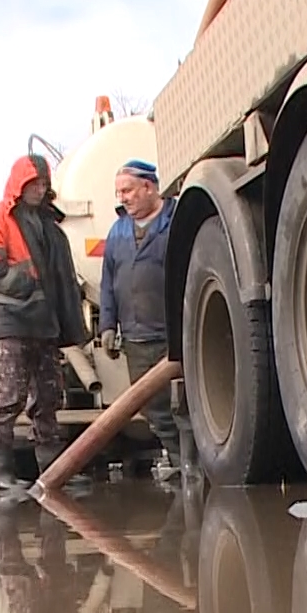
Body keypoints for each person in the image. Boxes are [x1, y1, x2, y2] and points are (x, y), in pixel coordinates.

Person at [0, 153, 90, 490]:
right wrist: (29, 284)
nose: (40, 189)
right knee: (8, 397)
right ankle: (2, 475)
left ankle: (52, 474)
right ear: (19, 184)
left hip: (46, 324)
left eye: (43, 183)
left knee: (49, 399)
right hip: (14, 321)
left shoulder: (50, 226)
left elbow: (62, 278)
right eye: (34, 183)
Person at [97, 159, 180, 472]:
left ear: (149, 186)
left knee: (184, 405)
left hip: (172, 333)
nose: (123, 198)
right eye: (119, 192)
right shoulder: (117, 233)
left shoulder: (174, 220)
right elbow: (108, 283)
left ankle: (193, 463)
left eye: (128, 190)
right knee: (151, 407)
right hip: (136, 338)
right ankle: (180, 459)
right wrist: (107, 326)